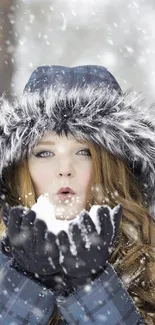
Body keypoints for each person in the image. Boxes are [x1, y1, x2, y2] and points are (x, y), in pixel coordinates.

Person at [0, 64, 154, 325]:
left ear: (111, 165)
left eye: (84, 152)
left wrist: (90, 286)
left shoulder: (149, 257)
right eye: (44, 153)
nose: (64, 170)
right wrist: (25, 281)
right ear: (20, 167)